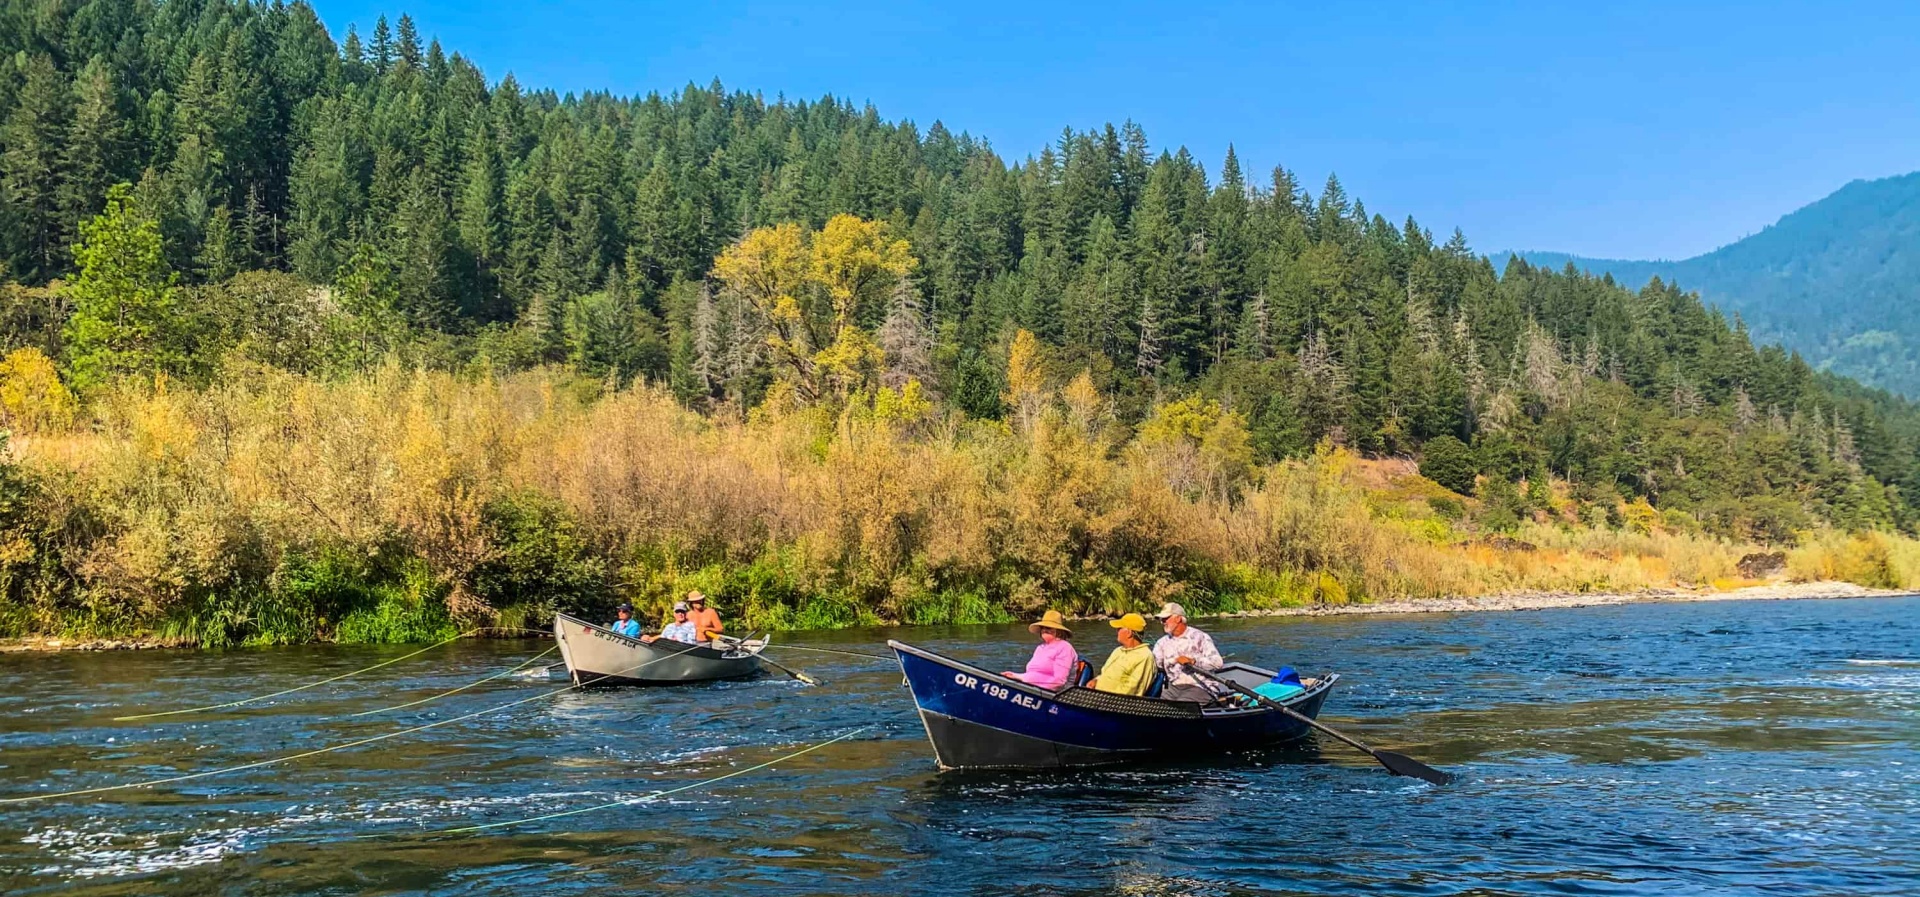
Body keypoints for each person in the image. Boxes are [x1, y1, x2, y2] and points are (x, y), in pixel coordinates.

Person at [1150, 602, 1223, 703]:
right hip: (1174, 687)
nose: (1162, 622)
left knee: (1181, 706)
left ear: (1178, 619)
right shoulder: (1161, 643)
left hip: (1201, 687)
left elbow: (1218, 663)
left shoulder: (1200, 637)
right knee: (1159, 707)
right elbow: (1156, 665)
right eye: (1161, 620)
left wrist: (1193, 661)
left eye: (1165, 619)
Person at [1003, 609, 1077, 690]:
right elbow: (1032, 675)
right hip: (1033, 689)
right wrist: (1016, 676)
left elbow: (1058, 681)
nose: (1044, 630)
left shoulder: (1065, 648)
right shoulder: (1040, 648)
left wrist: (1025, 682)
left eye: (1048, 627)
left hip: (1055, 694)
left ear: (1058, 631)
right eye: (1042, 627)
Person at [1088, 613, 1154, 696]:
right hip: (1097, 695)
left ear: (1129, 633)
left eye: (1119, 628)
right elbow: (1104, 672)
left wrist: (1103, 697)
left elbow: (1132, 690)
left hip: (1114, 701)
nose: (1117, 631)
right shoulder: (1118, 650)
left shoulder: (1144, 656)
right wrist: (1096, 680)